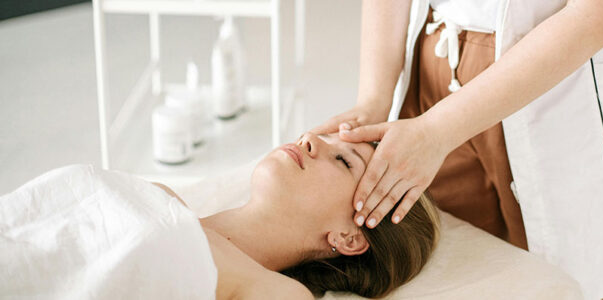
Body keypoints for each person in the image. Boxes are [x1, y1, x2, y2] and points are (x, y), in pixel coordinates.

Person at [312, 0, 603, 299]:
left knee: (578, 281)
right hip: (437, 62)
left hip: (561, 77)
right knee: (456, 274)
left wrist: (436, 132)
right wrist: (375, 97)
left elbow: (599, 11)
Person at [0, 133, 440, 299]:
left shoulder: (276, 292)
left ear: (348, 238)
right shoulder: (162, 195)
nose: (310, 139)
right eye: (327, 139)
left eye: (344, 162)